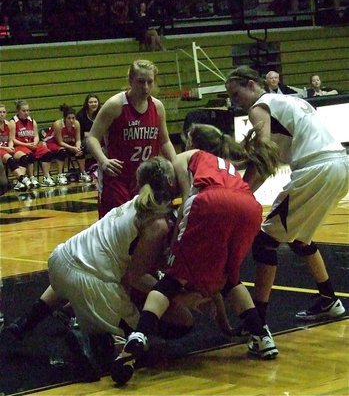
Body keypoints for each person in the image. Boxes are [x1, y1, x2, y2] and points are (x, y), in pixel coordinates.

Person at [111, 122, 281, 386]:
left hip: (209, 201)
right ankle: (262, 337)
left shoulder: (184, 158)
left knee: (172, 278)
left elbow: (191, 198)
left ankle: (139, 335)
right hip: (249, 206)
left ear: (191, 142)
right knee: (230, 278)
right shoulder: (226, 164)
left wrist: (176, 240)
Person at [2, 156, 196, 382]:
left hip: (61, 260)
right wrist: (172, 293)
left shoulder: (133, 203)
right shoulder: (157, 222)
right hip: (88, 280)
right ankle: (92, 341)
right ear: (171, 184)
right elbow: (136, 277)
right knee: (146, 335)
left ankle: (26, 322)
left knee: (86, 276)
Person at [224, 65, 348, 327]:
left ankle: (257, 321)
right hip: (340, 165)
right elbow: (267, 158)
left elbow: (265, 156)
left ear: (250, 84)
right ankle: (329, 300)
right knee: (299, 239)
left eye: (236, 95)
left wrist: (240, 194)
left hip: (316, 169)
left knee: (264, 243)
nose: (235, 103)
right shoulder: (288, 100)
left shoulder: (260, 106)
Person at [87, 59, 176, 218]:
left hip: (147, 177)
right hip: (118, 177)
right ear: (130, 80)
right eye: (141, 82)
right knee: (118, 226)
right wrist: (103, 161)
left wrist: (175, 165)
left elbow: (165, 141)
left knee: (148, 225)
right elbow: (92, 137)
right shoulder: (115, 105)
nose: (146, 87)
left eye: (150, 82)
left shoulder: (157, 106)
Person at [10, 100, 55, 187]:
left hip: (31, 144)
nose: (26, 113)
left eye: (27, 110)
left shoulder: (32, 121)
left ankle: (46, 177)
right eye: (24, 111)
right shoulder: (13, 122)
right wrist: (27, 145)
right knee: (29, 156)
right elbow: (12, 139)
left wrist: (35, 143)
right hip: (20, 146)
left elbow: (36, 136)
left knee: (47, 153)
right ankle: (31, 177)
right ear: (18, 111)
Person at [45, 104, 92, 185]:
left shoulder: (77, 124)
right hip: (53, 142)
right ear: (64, 118)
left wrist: (77, 147)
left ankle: (82, 172)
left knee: (81, 150)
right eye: (69, 118)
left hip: (68, 143)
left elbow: (78, 140)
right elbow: (60, 142)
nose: (71, 120)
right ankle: (60, 175)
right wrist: (72, 148)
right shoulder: (58, 124)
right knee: (61, 151)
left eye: (73, 118)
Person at [0, 102, 32, 191]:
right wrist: (6, 148)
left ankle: (19, 182)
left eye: (3, 112)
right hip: (1, 149)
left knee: (24, 157)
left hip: (7, 148)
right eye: (0, 112)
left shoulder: (8, 124)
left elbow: (11, 139)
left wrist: (10, 146)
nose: (2, 114)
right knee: (10, 159)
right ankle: (23, 179)